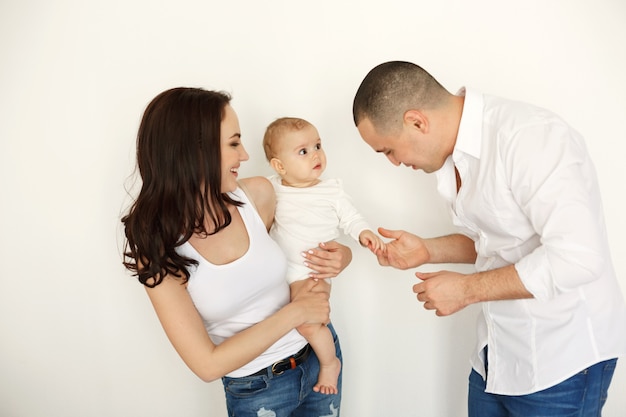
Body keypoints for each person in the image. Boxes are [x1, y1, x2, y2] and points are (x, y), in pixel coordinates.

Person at [352, 61, 626, 416]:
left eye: (388, 150)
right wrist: (427, 250)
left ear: (417, 121)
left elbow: (577, 257)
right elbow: (500, 242)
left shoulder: (529, 137)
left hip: (561, 361)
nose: (393, 162)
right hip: (494, 356)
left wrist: (465, 290)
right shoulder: (458, 156)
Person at [121, 87, 353, 417]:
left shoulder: (257, 196)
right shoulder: (158, 248)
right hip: (258, 391)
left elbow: (307, 241)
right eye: (233, 143)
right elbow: (207, 365)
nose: (244, 155)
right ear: (193, 151)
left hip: (319, 358)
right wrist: (295, 313)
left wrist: (342, 255)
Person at [262, 117, 385, 395]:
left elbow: (351, 217)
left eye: (318, 145)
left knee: (307, 322)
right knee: (297, 317)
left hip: (314, 271)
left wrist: (363, 233)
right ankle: (324, 354)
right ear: (279, 166)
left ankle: (329, 363)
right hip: (286, 272)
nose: (316, 154)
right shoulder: (272, 188)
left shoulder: (332, 190)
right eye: (303, 151)